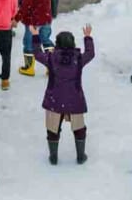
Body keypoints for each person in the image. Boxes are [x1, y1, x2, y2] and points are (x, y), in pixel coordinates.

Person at [32, 24, 95, 165]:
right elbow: (90, 54)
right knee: (79, 129)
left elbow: (37, 54)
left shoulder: (51, 58)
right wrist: (88, 38)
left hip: (55, 99)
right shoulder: (78, 59)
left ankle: (53, 156)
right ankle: (80, 156)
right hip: (75, 99)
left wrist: (36, 36)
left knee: (53, 129)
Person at [15, 0, 53, 76]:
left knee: (29, 43)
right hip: (45, 16)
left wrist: (17, 18)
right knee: (46, 40)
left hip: (33, 20)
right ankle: (51, 65)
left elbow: (26, 5)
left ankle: (29, 67)